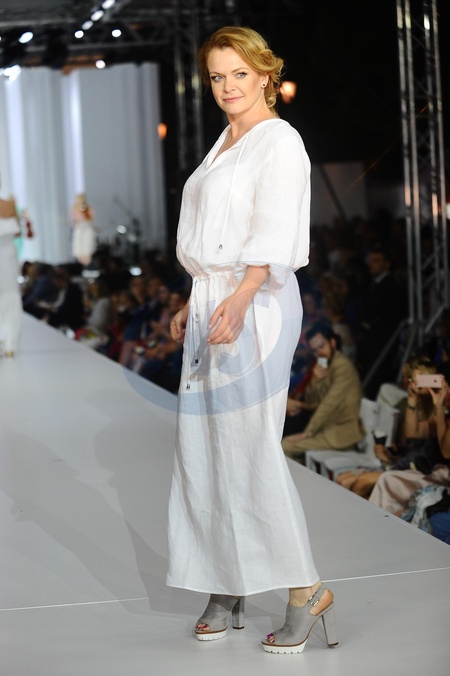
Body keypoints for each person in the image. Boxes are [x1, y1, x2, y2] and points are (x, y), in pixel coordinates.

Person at [166, 26, 337, 655]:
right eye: (217, 76)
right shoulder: (223, 143)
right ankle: (227, 580)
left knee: (250, 447)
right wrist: (197, 298)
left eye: (240, 73)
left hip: (256, 302)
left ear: (266, 74)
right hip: (216, 297)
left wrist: (240, 295)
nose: (228, 86)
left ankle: (305, 590)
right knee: (206, 447)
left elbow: (273, 227)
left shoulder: (278, 140)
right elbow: (213, 233)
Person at [282, 322, 364, 459]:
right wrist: (314, 382)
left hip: (340, 432)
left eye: (322, 346)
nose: (319, 352)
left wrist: (307, 433)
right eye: (315, 350)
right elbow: (313, 402)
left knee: (286, 446)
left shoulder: (342, 366)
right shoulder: (324, 364)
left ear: (332, 343)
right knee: (285, 440)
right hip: (325, 427)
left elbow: (329, 404)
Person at [0, 195, 22, 358]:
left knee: (9, 295)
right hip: (7, 255)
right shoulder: (9, 204)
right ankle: (8, 341)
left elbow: (17, 232)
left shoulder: (9, 204)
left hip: (7, 256)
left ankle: (10, 341)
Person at [71, 193, 96, 266]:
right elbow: (74, 220)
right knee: (79, 246)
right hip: (79, 229)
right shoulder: (74, 209)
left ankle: (87, 262)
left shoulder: (88, 209)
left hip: (87, 229)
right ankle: (81, 263)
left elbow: (90, 218)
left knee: (87, 246)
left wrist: (84, 213)